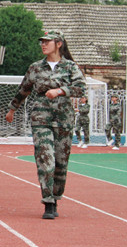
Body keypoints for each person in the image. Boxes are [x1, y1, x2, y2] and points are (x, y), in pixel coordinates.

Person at [5, 29, 85, 220]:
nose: (43, 45)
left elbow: (80, 88)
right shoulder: (35, 68)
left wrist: (60, 91)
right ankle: (48, 201)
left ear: (59, 44)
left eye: (47, 42)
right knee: (45, 159)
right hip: (41, 118)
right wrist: (12, 109)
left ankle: (56, 196)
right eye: (42, 42)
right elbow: (24, 89)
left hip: (64, 119)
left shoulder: (70, 67)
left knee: (60, 163)